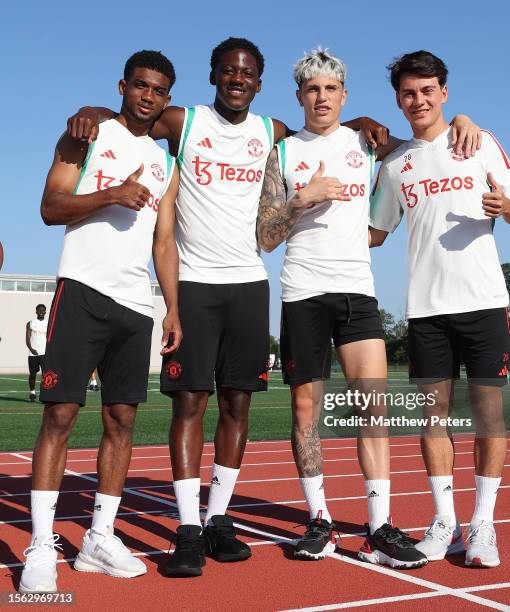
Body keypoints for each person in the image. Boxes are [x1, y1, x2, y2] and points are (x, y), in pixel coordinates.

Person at [66, 37, 406, 578]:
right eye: (228, 71)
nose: (238, 79)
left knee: (237, 409)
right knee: (189, 408)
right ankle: (187, 527)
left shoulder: (272, 133)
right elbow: (135, 117)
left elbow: (323, 133)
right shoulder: (183, 121)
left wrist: (363, 120)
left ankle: (219, 518)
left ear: (260, 83)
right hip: (197, 285)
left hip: (251, 284)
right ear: (215, 76)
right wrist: (95, 112)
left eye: (247, 73)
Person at [256, 48, 479, 568]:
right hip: (302, 293)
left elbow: (427, 145)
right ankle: (321, 522)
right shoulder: (283, 153)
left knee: (371, 407)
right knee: (306, 412)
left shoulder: (367, 142)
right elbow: (266, 237)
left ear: (344, 95)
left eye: (330, 89)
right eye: (311, 89)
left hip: (357, 292)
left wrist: (463, 117)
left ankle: (379, 525)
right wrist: (302, 197)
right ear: (299, 96)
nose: (321, 97)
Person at [18, 50, 181, 594]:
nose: (148, 97)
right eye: (140, 86)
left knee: (122, 423)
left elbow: (163, 242)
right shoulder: (84, 134)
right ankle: (41, 544)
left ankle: (99, 539)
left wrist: (171, 308)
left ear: (165, 99)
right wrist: (111, 194)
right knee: (60, 415)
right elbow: (49, 206)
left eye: (159, 90)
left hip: (137, 305)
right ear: (122, 86)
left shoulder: (164, 163)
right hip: (83, 290)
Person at [370, 50, 510, 568]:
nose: (418, 100)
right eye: (408, 93)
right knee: (433, 418)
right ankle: (445, 523)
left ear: (443, 92)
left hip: (483, 301)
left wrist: (504, 207)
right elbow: (373, 233)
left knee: (487, 416)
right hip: (426, 310)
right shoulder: (394, 165)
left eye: (427, 90)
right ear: (398, 99)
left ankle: (483, 525)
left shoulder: (478, 141)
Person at [26, 304, 48, 402]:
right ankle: (32, 392)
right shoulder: (30, 323)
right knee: (33, 374)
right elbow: (27, 338)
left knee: (45, 375)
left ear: (45, 312)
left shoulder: (49, 323)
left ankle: (44, 395)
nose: (41, 312)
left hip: (44, 353)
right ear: (36, 311)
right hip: (33, 353)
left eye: (43, 310)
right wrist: (31, 348)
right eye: (39, 310)